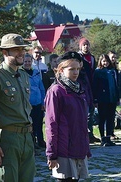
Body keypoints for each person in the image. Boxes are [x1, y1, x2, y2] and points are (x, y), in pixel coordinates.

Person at [0, 33, 35, 182]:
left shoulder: (24, 75)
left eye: (22, 49)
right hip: (7, 138)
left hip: (26, 137)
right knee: (6, 178)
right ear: (5, 52)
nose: (21, 53)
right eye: (16, 50)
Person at [45, 51, 91, 182]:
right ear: (61, 70)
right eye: (71, 69)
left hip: (78, 148)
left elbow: (82, 123)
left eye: (77, 69)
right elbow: (51, 124)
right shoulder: (56, 91)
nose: (76, 72)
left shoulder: (78, 89)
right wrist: (52, 154)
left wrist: (86, 148)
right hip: (63, 151)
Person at [93, 54, 119, 146]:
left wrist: (117, 97)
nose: (105, 63)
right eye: (103, 61)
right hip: (102, 99)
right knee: (102, 118)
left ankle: (108, 137)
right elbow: (95, 86)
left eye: (107, 61)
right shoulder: (98, 72)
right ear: (100, 61)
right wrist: (95, 99)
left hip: (112, 98)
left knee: (110, 118)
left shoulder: (113, 71)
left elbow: (117, 85)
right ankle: (103, 138)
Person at [78, 37, 100, 143]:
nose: (86, 47)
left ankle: (90, 134)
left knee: (91, 112)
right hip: (82, 86)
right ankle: (84, 135)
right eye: (84, 45)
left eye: (87, 45)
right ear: (81, 46)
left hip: (91, 86)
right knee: (84, 112)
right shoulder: (79, 57)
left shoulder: (92, 58)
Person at [21, 53, 46, 148]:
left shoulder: (36, 72)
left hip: (38, 102)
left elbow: (42, 88)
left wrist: (43, 102)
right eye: (25, 61)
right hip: (28, 104)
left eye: (29, 61)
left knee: (39, 123)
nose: (27, 63)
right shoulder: (21, 73)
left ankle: (40, 140)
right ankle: (32, 142)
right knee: (30, 124)